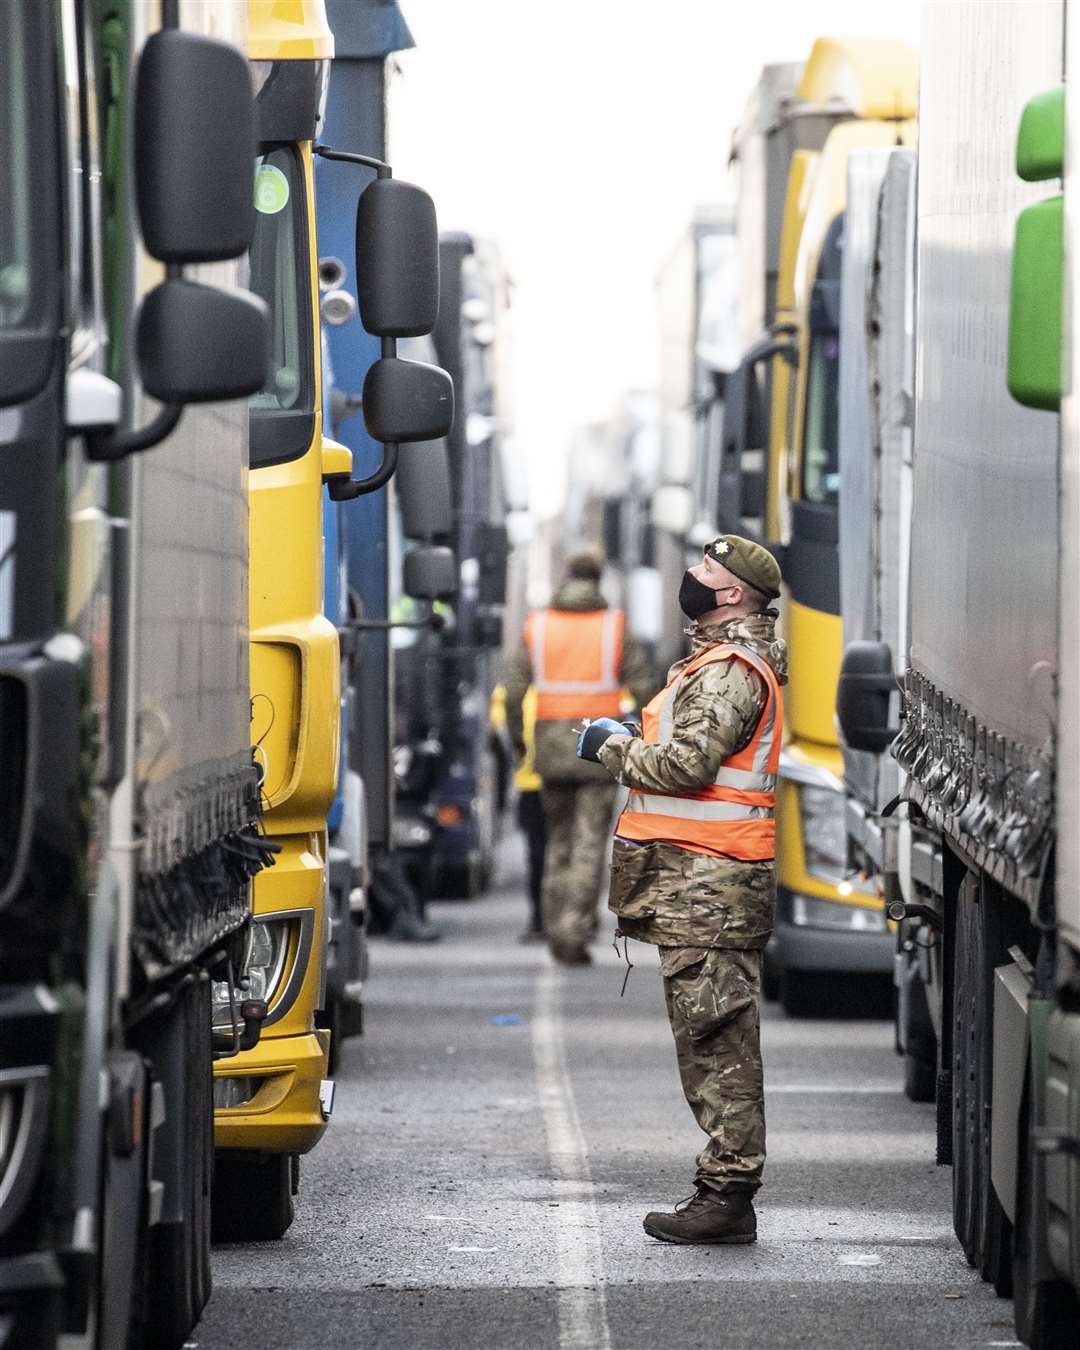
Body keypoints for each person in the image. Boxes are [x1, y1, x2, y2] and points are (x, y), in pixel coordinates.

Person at [577, 535, 787, 1245]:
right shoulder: (714, 661)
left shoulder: (730, 671)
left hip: (711, 887)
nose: (691, 578)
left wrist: (609, 745)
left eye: (705, 571)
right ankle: (723, 1190)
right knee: (709, 1041)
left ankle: (727, 1194)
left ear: (731, 594)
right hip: (699, 885)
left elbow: (687, 765)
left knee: (720, 1044)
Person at [505, 547, 654, 965]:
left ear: (567, 574)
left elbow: (514, 689)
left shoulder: (539, 626)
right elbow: (644, 686)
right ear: (599, 578)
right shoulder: (613, 627)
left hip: (551, 749)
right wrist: (650, 736)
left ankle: (555, 925)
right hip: (598, 748)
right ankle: (573, 929)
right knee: (590, 843)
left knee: (559, 841)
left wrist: (519, 740)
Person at [490, 683, 546, 941]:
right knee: (568, 852)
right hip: (567, 782)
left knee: (538, 855)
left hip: (532, 784)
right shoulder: (575, 685)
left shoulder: (513, 691)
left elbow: (499, 729)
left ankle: (540, 919)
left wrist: (516, 750)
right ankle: (572, 920)